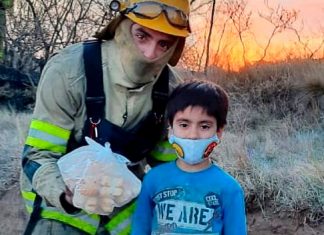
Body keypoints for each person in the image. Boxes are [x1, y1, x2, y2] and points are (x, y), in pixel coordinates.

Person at [20, 0, 191, 234]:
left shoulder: (172, 90)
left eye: (164, 44)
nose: (150, 54)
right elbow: (38, 156)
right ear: (121, 25)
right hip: (62, 197)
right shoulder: (68, 71)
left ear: (176, 47)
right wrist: (65, 193)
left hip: (122, 195)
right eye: (142, 35)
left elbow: (168, 163)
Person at [131, 80, 247, 234]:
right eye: (184, 125)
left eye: (204, 126)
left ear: (218, 132)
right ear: (171, 129)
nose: (193, 135)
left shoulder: (229, 189)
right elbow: (140, 229)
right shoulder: (153, 179)